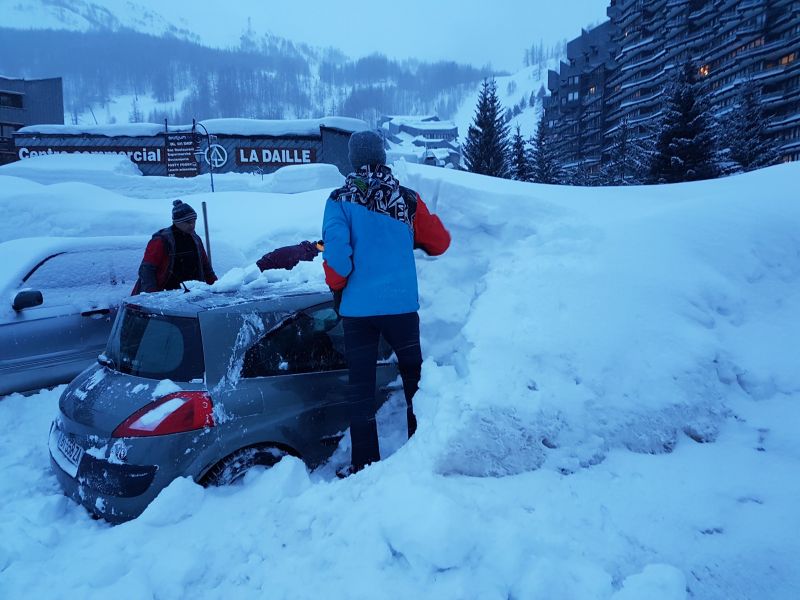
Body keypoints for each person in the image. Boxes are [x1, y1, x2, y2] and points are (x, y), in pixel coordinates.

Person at [322, 130, 451, 474]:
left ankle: (364, 465)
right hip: (401, 308)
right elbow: (439, 244)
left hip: (358, 312)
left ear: (353, 160)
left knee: (361, 389)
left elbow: (337, 258)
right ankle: (421, 453)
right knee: (415, 382)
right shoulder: (407, 199)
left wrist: (339, 289)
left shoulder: (339, 199)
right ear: (382, 157)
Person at [132, 200, 217, 294]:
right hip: (166, 295)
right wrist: (152, 295)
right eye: (188, 222)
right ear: (177, 222)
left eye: (194, 221)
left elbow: (206, 267)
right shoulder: (161, 240)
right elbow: (146, 270)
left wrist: (216, 288)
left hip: (192, 293)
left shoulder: (195, 239)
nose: (192, 225)